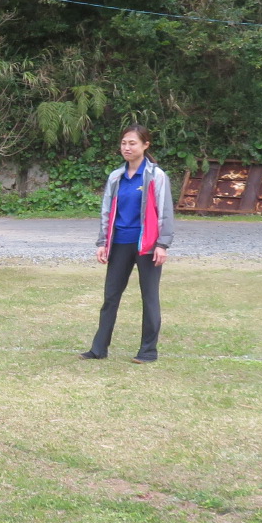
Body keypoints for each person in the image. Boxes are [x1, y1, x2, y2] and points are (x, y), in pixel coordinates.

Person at [80, 125, 175, 363]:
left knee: (149, 298)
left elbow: (165, 212)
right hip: (120, 244)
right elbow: (106, 211)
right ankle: (98, 349)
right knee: (110, 297)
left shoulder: (156, 176)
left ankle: (148, 352)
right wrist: (102, 242)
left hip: (147, 246)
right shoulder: (116, 176)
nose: (127, 147)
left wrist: (162, 244)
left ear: (145, 145)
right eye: (124, 143)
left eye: (132, 143)